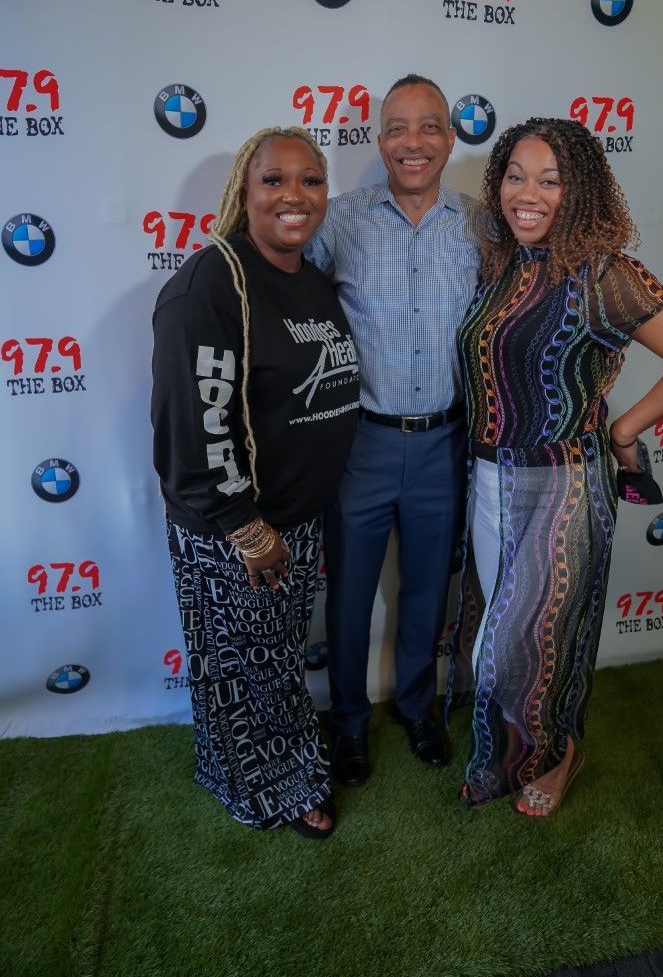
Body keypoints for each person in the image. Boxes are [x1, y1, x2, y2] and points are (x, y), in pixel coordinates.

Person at [451, 117, 663, 817]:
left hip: (562, 486)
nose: (528, 194)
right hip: (488, 482)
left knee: (528, 644)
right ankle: (519, 749)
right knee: (502, 640)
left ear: (581, 192)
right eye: (515, 177)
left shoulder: (604, 274)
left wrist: (625, 428)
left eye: (550, 181)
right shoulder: (502, 262)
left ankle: (559, 754)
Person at [151, 127, 360, 838]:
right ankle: (281, 790)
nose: (294, 195)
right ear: (244, 192)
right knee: (253, 669)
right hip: (237, 528)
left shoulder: (309, 278)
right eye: (274, 180)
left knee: (262, 666)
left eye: (311, 180)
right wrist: (246, 528)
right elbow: (193, 426)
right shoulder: (211, 286)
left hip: (294, 518)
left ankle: (241, 768)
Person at [306, 75, 481, 786]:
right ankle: (348, 720)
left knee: (427, 590)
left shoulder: (482, 225)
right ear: (380, 141)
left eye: (430, 126)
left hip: (446, 442)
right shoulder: (337, 221)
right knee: (349, 592)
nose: (414, 142)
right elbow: (286, 301)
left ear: (451, 138)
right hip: (362, 442)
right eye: (398, 128)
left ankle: (417, 706)